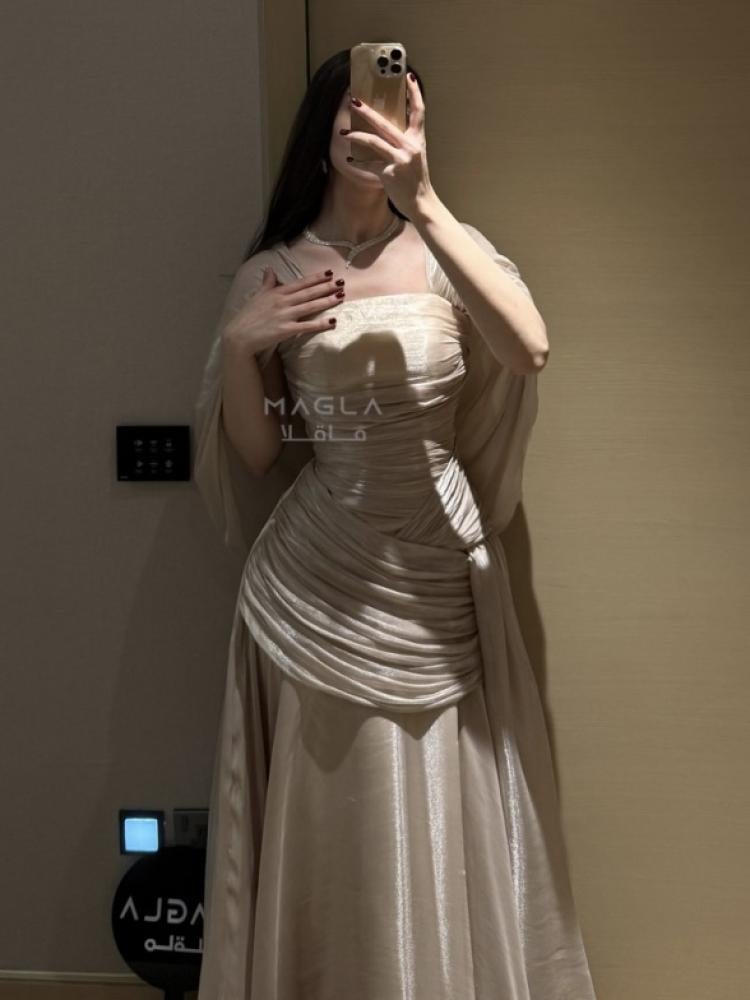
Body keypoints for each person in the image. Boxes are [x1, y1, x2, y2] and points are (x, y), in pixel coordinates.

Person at [193, 47, 598, 1000]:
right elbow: (258, 453)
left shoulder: (445, 253)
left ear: (414, 127)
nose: (365, 121)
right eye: (347, 106)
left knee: (440, 798)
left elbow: (530, 349)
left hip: (437, 574)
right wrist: (243, 347)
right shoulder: (274, 271)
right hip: (315, 585)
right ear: (319, 130)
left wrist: (427, 201)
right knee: (331, 810)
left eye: (389, 105)